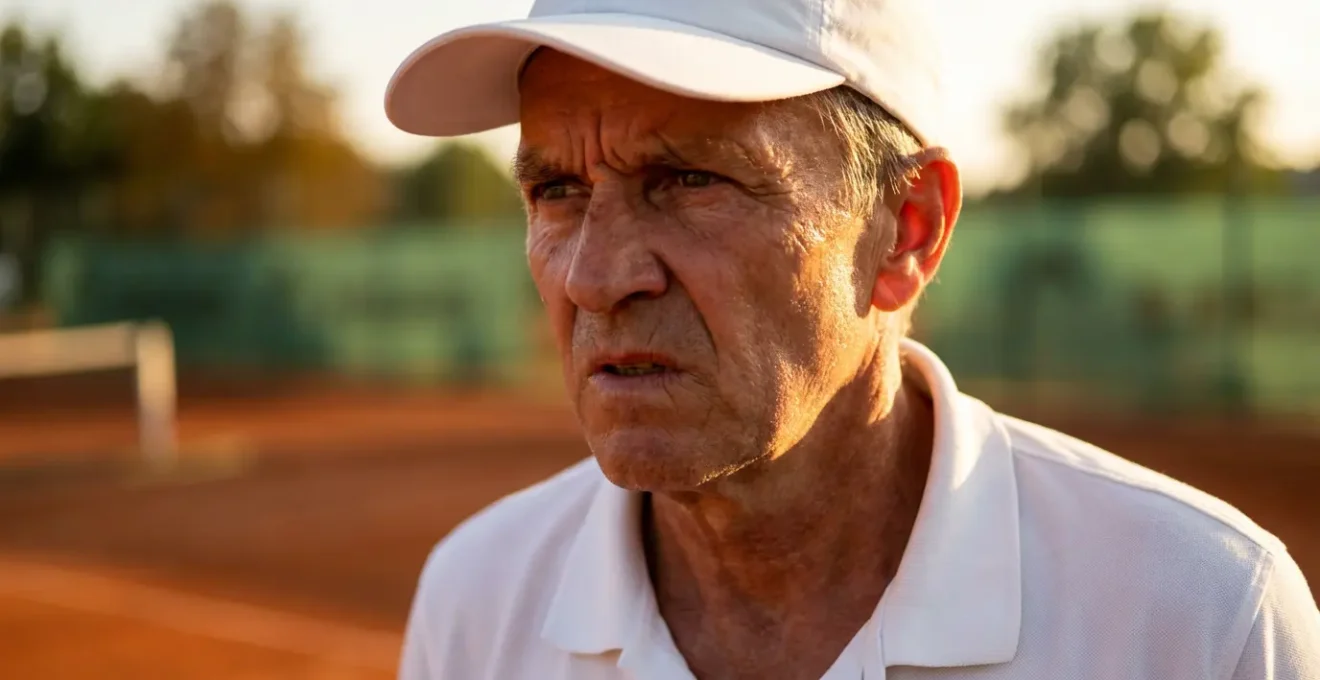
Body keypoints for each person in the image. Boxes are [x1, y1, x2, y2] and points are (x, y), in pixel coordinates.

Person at [384, 1, 1320, 678]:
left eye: (689, 180)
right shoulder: (476, 597)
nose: (594, 276)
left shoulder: (1200, 620)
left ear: (907, 228)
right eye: (556, 190)